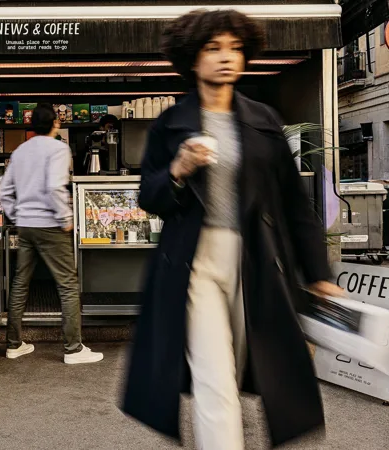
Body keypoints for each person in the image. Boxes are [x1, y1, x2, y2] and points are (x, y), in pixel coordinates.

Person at [122, 9, 344, 449]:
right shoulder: (170, 124)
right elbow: (149, 197)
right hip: (193, 262)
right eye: (213, 48)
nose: (226, 57)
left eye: (235, 48)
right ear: (193, 58)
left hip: (257, 259)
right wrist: (178, 171)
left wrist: (317, 272)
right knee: (213, 374)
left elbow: (294, 204)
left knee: (261, 362)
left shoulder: (263, 121)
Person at [0, 104, 103, 365]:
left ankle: (14, 344)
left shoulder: (20, 151)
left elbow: (4, 193)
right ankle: (73, 349)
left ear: (32, 125)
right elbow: (55, 186)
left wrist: (19, 213)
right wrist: (65, 218)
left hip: (25, 226)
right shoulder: (58, 148)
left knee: (20, 283)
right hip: (50, 225)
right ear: (56, 123)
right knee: (67, 285)